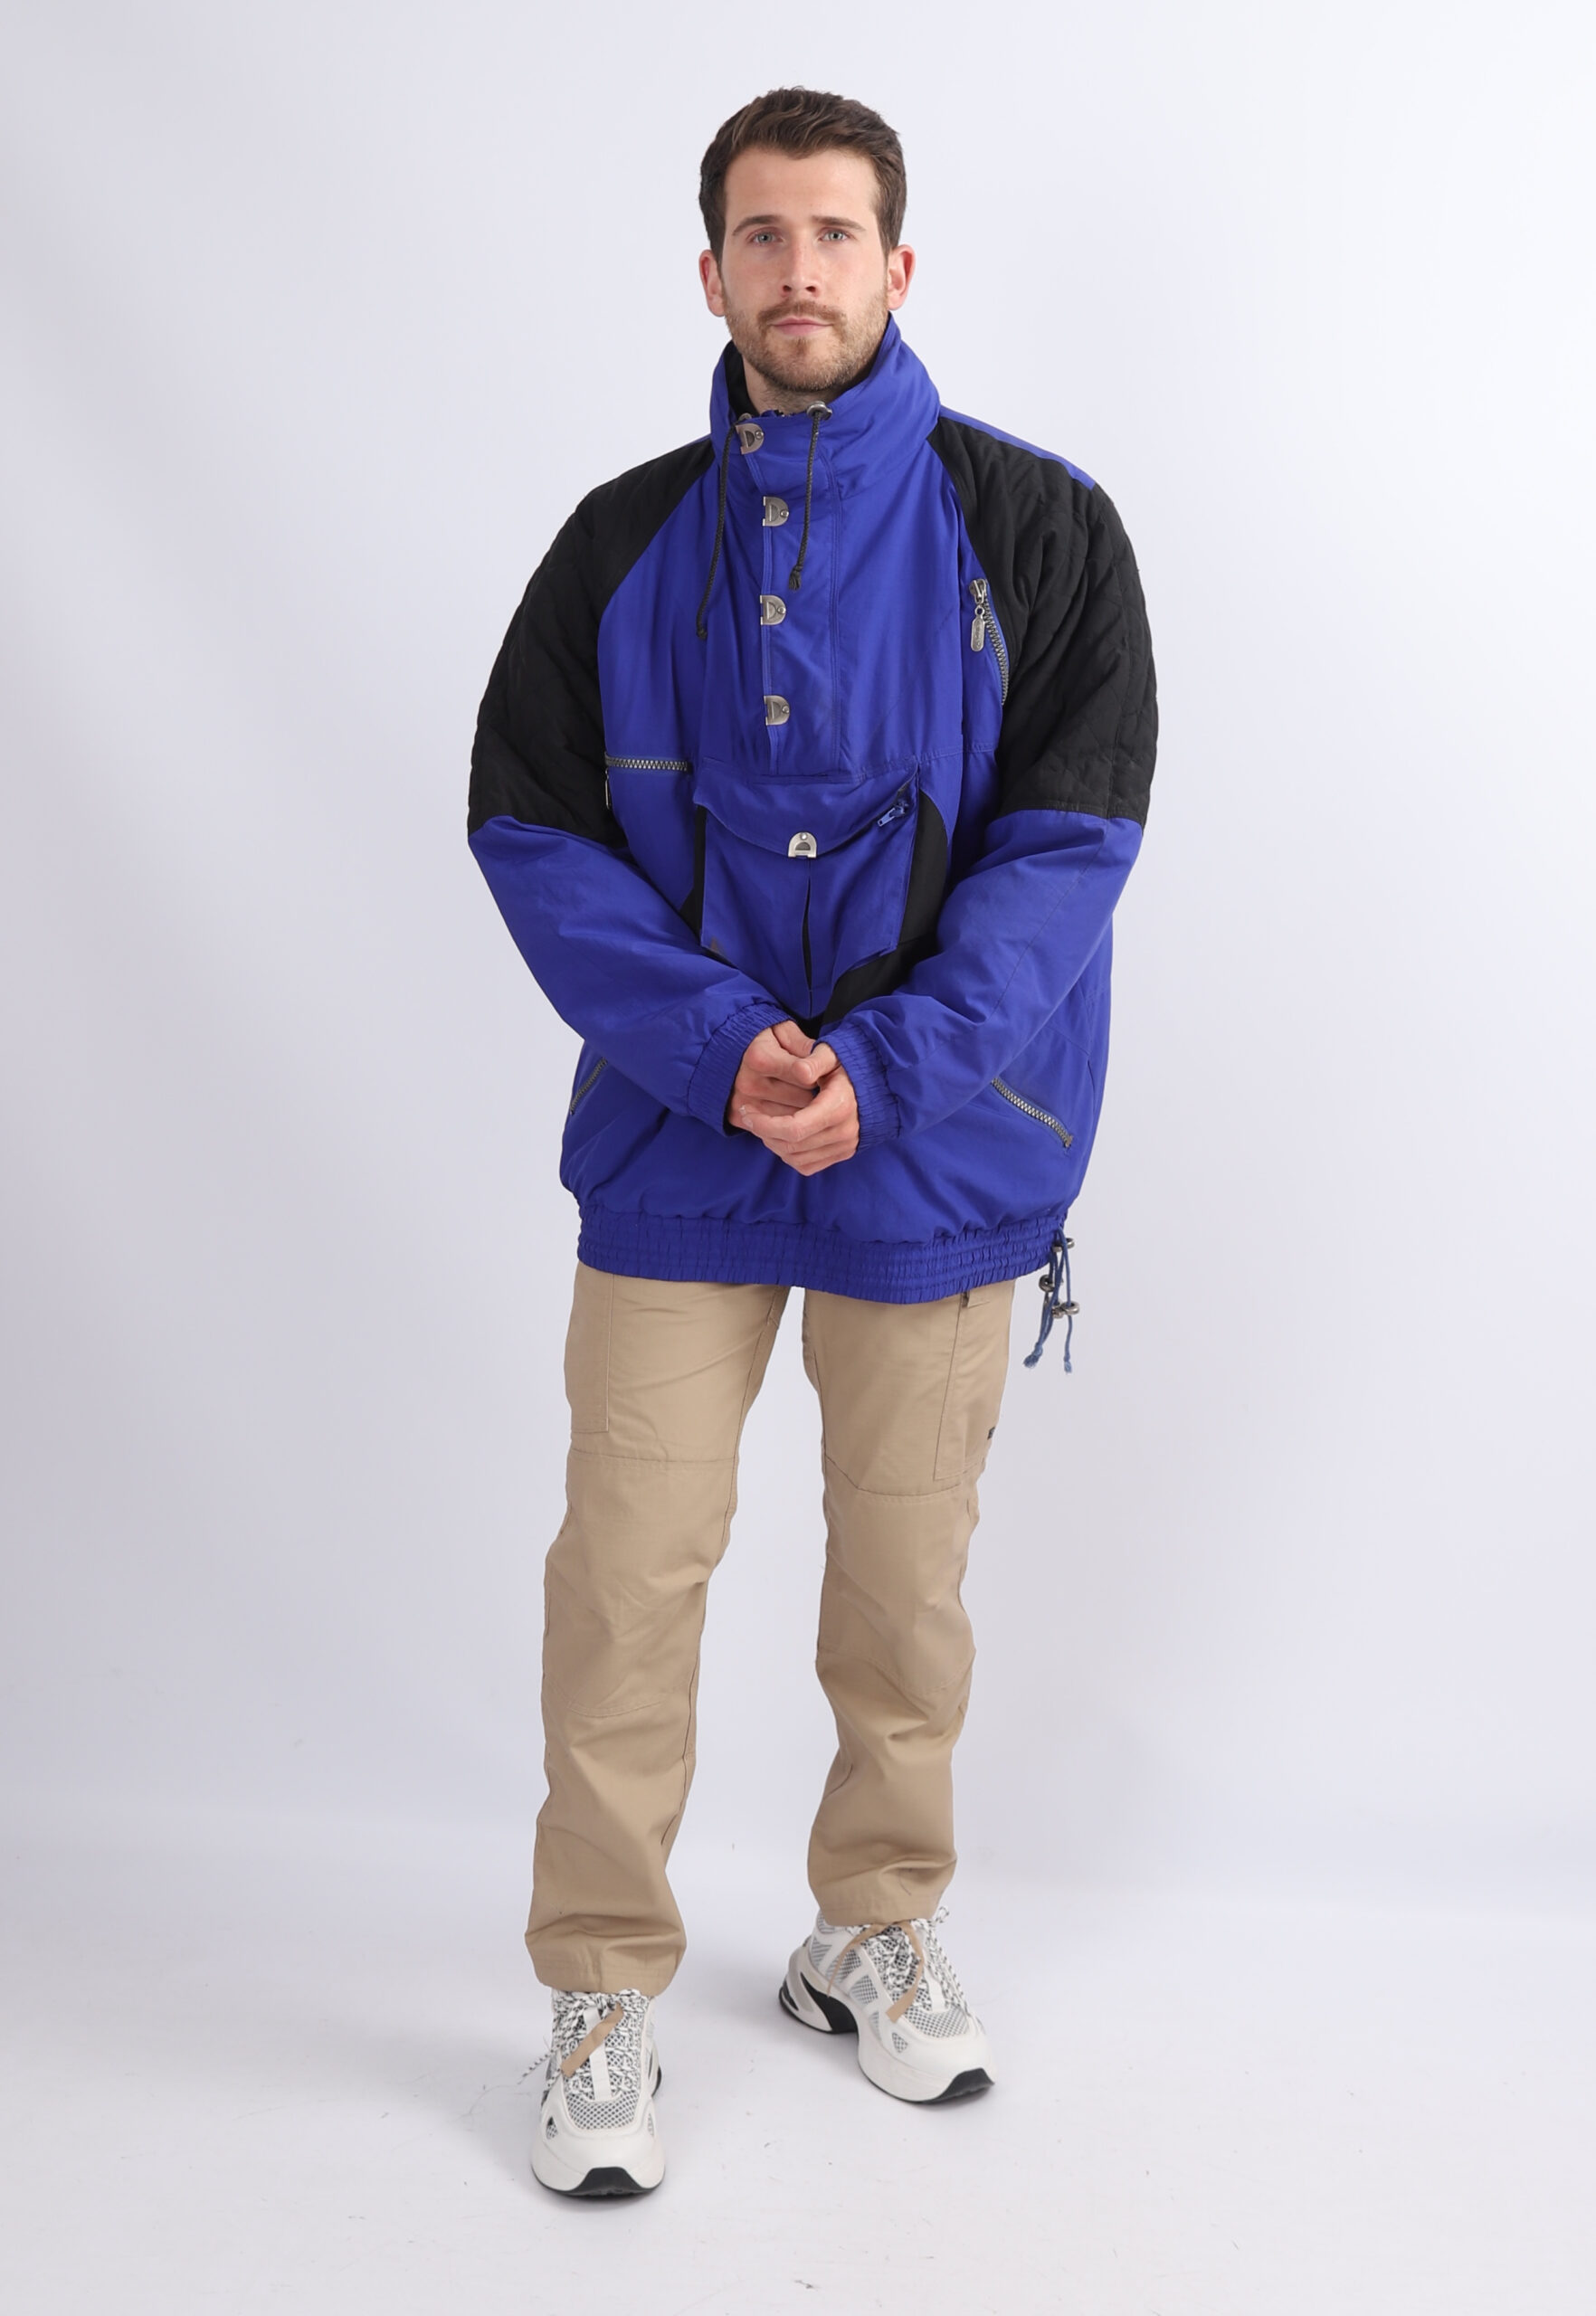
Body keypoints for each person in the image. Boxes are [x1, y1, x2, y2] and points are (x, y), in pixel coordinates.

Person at [469, 86, 1156, 2198]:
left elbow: (1068, 853)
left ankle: (873, 1923)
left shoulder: (1046, 532)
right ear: (711, 273)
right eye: (760, 236)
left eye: (834, 233)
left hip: (934, 1155)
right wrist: (722, 1045)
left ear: (897, 264)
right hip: (680, 1145)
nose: (798, 271)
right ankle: (602, 1985)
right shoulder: (615, 545)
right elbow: (533, 834)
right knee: (628, 1575)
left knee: (904, 1586)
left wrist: (898, 1066)